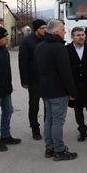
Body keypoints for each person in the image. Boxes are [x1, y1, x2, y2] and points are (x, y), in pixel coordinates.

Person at [35, 19, 78, 161]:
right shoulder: (59, 48)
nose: (65, 32)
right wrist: (72, 91)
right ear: (56, 31)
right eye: (63, 30)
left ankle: (50, 147)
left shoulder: (39, 46)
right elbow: (65, 72)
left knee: (49, 119)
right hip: (58, 90)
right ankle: (59, 150)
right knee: (58, 121)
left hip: (45, 89)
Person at [18, 19, 47, 140]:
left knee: (48, 105)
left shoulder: (48, 39)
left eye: (46, 27)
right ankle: (35, 129)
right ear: (36, 29)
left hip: (47, 78)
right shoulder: (27, 42)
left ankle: (48, 127)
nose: (45, 30)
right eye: (42, 28)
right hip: (33, 79)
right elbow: (22, 62)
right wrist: (24, 80)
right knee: (34, 105)